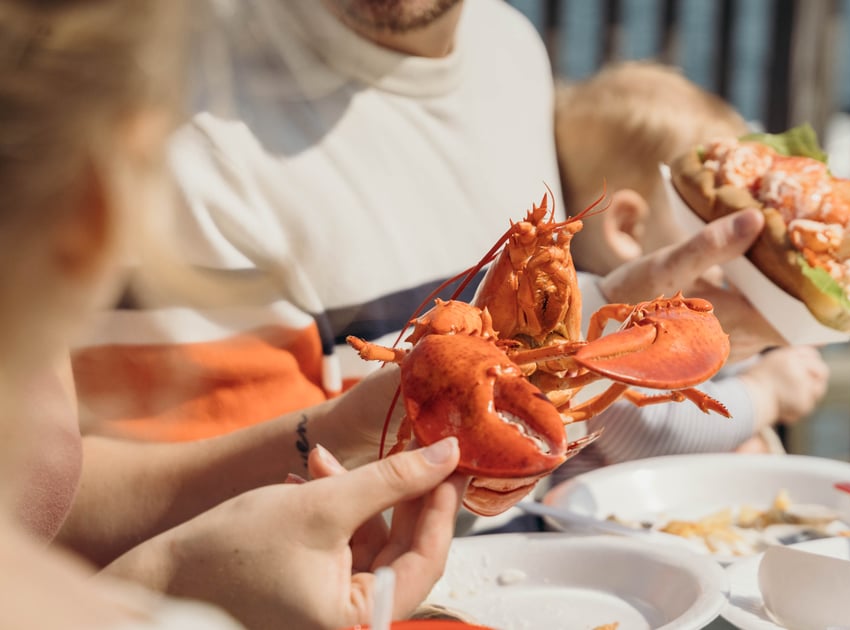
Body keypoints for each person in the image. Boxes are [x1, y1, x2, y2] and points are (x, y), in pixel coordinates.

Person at [68, 0, 786, 504]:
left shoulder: (510, 45)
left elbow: (537, 340)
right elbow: (213, 514)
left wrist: (620, 311)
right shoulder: (171, 118)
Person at [1, 1, 470, 627]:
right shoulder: (205, 114)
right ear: (101, 204)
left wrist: (156, 578)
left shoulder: (514, 53)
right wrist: (166, 589)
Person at [551, 61, 829, 478]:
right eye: (710, 218)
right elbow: (654, 433)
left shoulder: (679, 314)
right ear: (628, 226)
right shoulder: (590, 333)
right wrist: (765, 394)